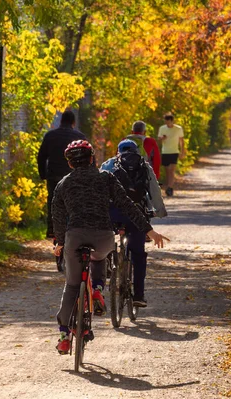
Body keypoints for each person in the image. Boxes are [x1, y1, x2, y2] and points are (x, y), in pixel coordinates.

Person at [52, 140, 168, 355]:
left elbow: (58, 218)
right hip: (103, 237)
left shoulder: (63, 184)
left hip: (75, 237)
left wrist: (60, 242)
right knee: (98, 258)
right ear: (92, 159)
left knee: (71, 285)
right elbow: (127, 205)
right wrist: (149, 230)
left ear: (69, 164)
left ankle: (64, 336)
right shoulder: (106, 178)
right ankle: (96, 289)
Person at [108, 139, 167, 307]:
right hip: (137, 215)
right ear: (136, 151)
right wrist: (160, 211)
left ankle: (105, 265)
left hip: (113, 214)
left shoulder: (109, 164)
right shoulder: (144, 165)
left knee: (102, 240)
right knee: (138, 254)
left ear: (117, 151)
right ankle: (139, 296)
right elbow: (154, 191)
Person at [37, 110, 86, 239]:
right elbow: (89, 157)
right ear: (73, 123)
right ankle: (76, 229)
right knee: (75, 202)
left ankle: (52, 230)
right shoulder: (79, 137)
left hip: (54, 175)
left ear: (61, 121)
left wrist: (43, 174)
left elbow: (41, 157)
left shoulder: (50, 136)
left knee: (53, 201)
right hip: (73, 176)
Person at [158, 112, 185, 196]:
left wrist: (182, 151)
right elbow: (159, 138)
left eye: (168, 121)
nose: (167, 123)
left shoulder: (178, 129)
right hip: (165, 151)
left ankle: (170, 187)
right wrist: (162, 138)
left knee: (172, 170)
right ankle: (168, 186)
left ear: (172, 121)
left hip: (174, 151)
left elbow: (181, 141)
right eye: (165, 121)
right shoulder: (162, 128)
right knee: (167, 170)